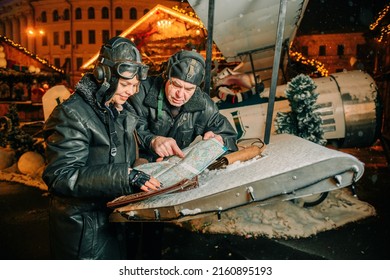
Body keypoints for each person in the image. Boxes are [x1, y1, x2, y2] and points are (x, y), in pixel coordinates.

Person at [42, 36, 161, 260]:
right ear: (103, 77)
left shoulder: (115, 108)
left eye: (135, 85)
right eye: (125, 85)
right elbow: (61, 176)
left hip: (112, 223)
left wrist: (142, 165)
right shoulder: (72, 114)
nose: (131, 92)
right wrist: (125, 176)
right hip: (85, 233)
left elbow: (119, 158)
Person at [130, 49, 238, 163]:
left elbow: (229, 137)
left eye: (189, 89)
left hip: (174, 166)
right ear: (166, 76)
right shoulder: (139, 93)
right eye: (176, 85)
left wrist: (220, 140)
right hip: (139, 164)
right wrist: (152, 140)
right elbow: (127, 130)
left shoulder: (203, 104)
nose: (180, 94)